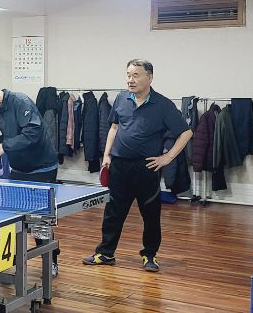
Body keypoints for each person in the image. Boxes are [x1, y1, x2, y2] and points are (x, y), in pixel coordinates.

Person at [83, 59, 193, 272]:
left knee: (150, 214)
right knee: (113, 212)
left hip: (147, 167)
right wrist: (106, 155)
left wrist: (167, 158)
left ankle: (149, 255)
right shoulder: (121, 98)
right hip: (119, 166)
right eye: (128, 75)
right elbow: (114, 127)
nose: (130, 80)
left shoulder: (163, 104)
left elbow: (186, 132)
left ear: (149, 78)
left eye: (135, 75)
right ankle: (105, 253)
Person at [0, 75, 61, 277]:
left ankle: (50, 261)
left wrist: (5, 146)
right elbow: (7, 138)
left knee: (38, 218)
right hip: (19, 170)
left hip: (41, 169)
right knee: (5, 212)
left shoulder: (20, 101)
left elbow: (33, 132)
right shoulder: (0, 111)